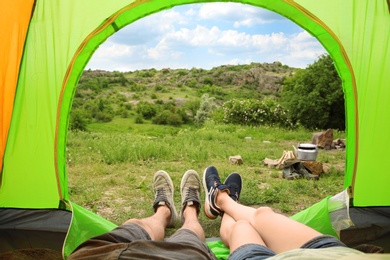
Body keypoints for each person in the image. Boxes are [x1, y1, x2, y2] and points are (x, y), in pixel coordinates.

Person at [202, 165, 366, 260]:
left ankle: (221, 200)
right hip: (335, 255)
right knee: (262, 215)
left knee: (243, 226)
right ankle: (226, 202)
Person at [68, 169, 217, 260]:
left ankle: (164, 211)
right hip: (182, 257)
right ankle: (189, 212)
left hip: (97, 255)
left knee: (134, 225)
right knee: (188, 234)